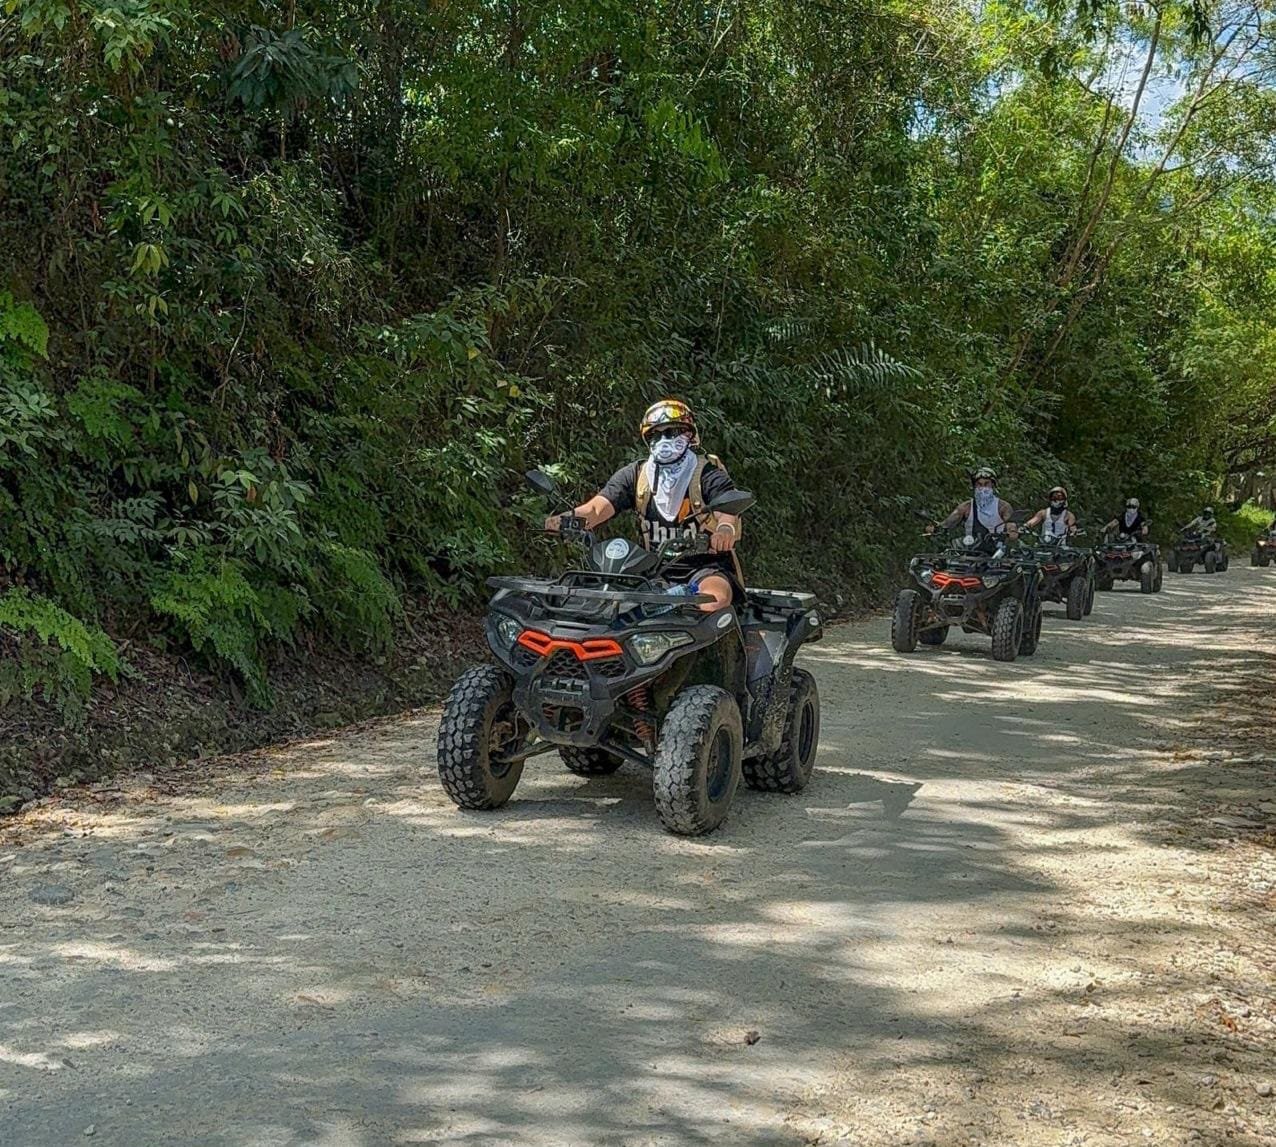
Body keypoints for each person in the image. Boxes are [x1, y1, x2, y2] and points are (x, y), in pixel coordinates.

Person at [543, 399, 742, 611]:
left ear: (689, 434)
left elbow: (727, 509)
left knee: (713, 600)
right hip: (652, 571)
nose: (663, 440)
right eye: (655, 434)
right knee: (605, 604)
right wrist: (565, 519)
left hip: (706, 568)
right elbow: (597, 508)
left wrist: (724, 530)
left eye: (672, 432)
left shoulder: (708, 474)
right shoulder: (637, 475)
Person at [927, 466, 1018, 543]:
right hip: (970, 549)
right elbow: (948, 523)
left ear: (993, 485)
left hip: (997, 552)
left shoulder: (1003, 507)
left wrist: (1012, 531)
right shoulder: (966, 507)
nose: (983, 488)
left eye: (986, 484)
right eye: (979, 484)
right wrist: (935, 528)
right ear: (974, 486)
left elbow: (1011, 525)